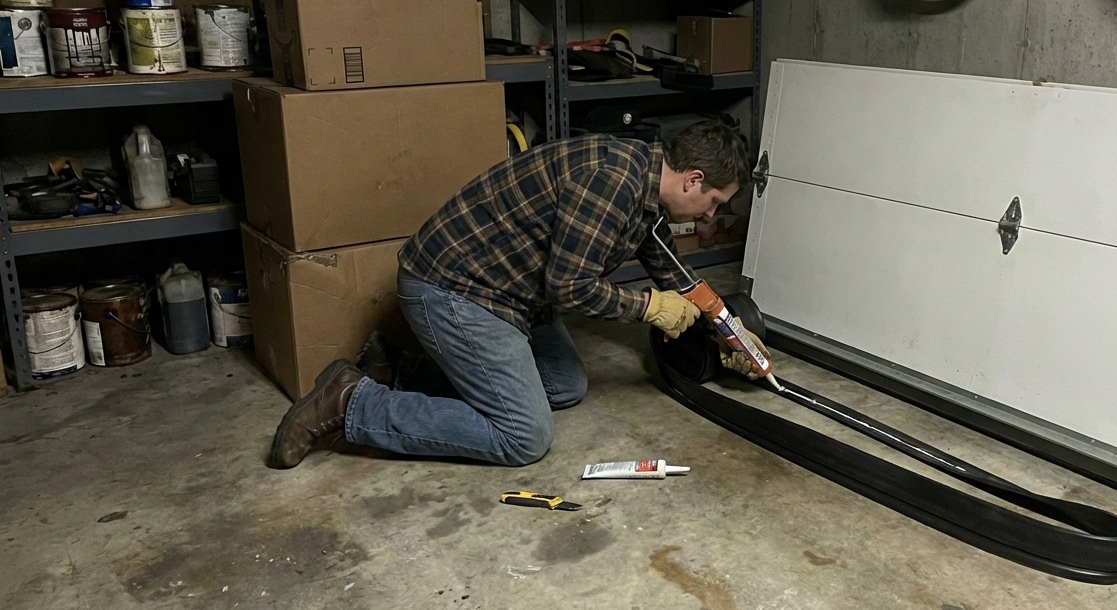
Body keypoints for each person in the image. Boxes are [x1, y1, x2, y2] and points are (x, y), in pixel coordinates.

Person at [268, 120, 769, 468]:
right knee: (522, 436)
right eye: (713, 203)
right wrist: (648, 308)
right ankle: (352, 403)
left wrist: (728, 328)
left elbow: (668, 266)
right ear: (693, 179)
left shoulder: (645, 179)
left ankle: (396, 369)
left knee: (565, 386)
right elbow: (569, 287)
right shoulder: (610, 182)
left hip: (512, 294)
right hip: (455, 289)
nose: (710, 216)